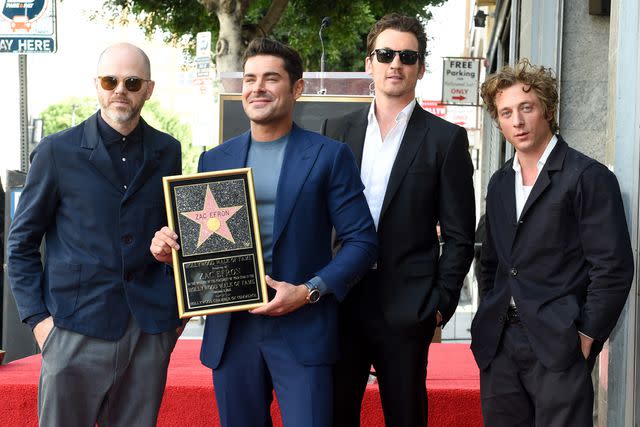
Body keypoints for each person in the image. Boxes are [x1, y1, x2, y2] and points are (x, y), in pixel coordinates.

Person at [150, 38, 378, 427]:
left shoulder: (328, 155)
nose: (257, 88)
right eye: (250, 79)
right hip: (232, 328)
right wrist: (170, 250)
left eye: (271, 78)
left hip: (303, 327)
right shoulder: (214, 159)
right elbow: (204, 245)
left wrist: (308, 292)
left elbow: (363, 242)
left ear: (297, 88)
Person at [7, 43, 183, 426]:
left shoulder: (168, 151)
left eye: (132, 82)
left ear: (148, 89)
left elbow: (173, 236)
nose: (120, 89)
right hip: (72, 327)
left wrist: (173, 320)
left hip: (147, 332)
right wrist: (39, 322)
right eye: (111, 80)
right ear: (97, 86)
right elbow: (20, 244)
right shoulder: (57, 151)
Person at [322, 13, 476, 426]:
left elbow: (461, 235)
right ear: (368, 63)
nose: (396, 64)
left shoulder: (447, 139)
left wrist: (439, 305)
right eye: (386, 54)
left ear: (421, 68)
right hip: (341, 302)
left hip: (408, 309)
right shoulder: (335, 130)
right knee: (335, 413)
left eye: (407, 56)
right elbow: (318, 217)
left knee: (406, 417)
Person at [471, 59, 634, 426]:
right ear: (498, 122)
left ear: (546, 108)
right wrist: (489, 312)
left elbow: (613, 267)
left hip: (560, 344)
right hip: (500, 345)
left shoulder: (587, 177)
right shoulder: (499, 183)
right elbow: (492, 263)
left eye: (526, 108)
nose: (518, 121)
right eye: (506, 112)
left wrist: (587, 335)